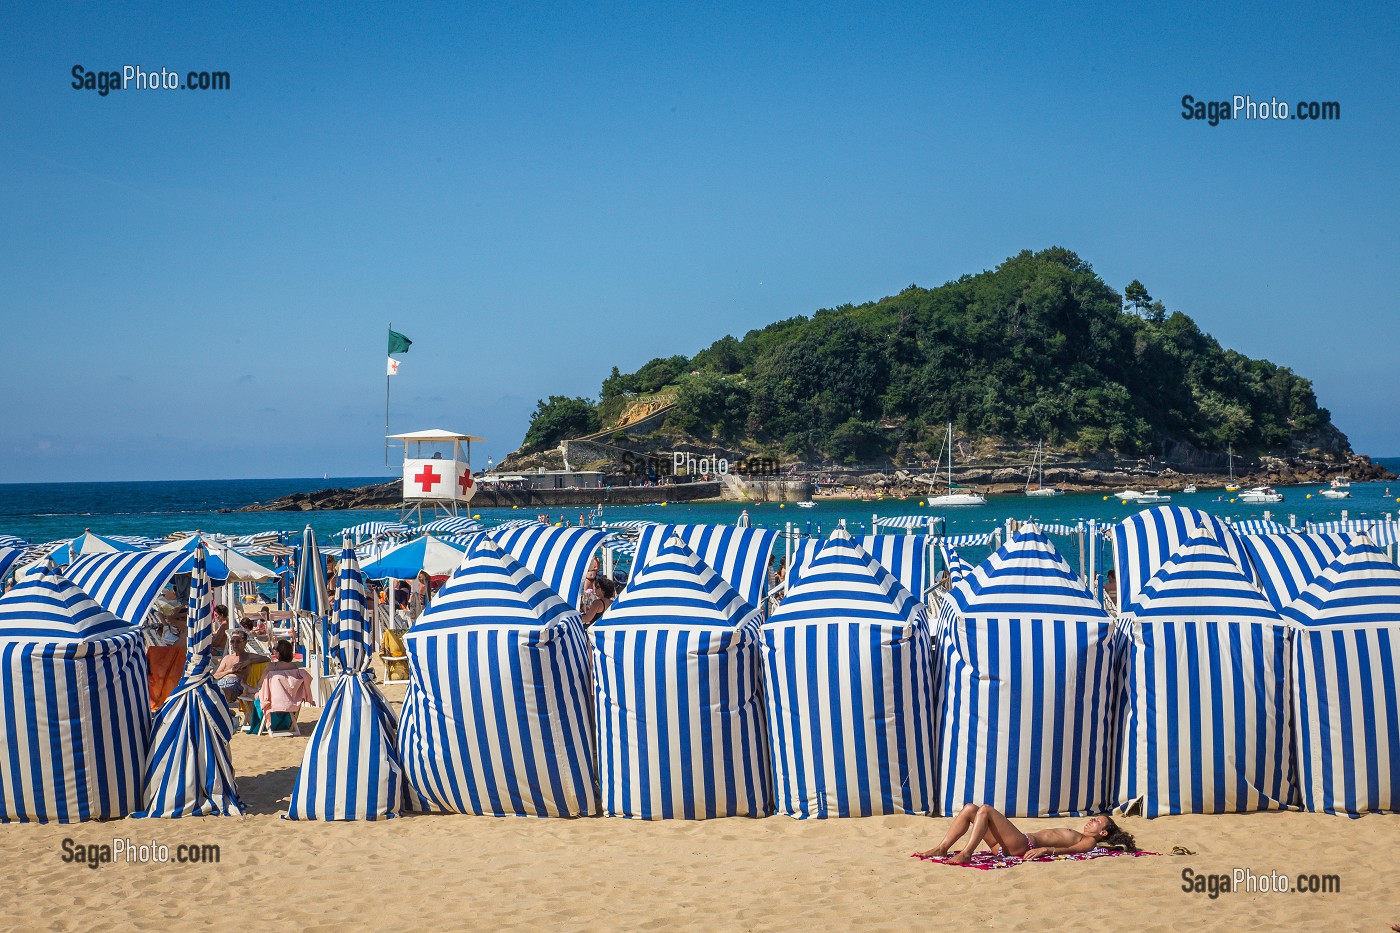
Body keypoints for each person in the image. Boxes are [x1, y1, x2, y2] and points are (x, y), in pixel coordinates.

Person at [916, 804, 1137, 863]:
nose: (1092, 820)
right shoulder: (1081, 833)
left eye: (1097, 821)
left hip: (1024, 845)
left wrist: (1046, 850)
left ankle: (966, 853)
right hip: (1007, 845)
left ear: (1104, 832)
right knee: (970, 809)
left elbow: (1070, 850)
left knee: (985, 810)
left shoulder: (1088, 841)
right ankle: (941, 848)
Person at [252, 639, 314, 734]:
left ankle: (260, 724)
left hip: (273, 703)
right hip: (291, 702)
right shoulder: (294, 667)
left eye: (275, 650)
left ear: (278, 653)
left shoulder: (271, 667)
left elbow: (260, 685)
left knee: (256, 695)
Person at [213, 631, 269, 703]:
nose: (235, 644)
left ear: (245, 642)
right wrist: (229, 671)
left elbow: (267, 659)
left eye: (238, 641)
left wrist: (249, 661)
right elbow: (215, 676)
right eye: (232, 641)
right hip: (220, 683)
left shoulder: (248, 656)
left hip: (236, 685)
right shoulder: (227, 658)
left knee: (220, 694)